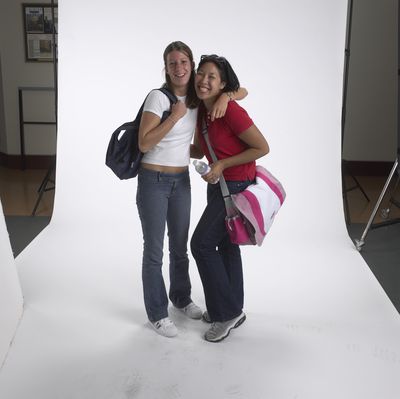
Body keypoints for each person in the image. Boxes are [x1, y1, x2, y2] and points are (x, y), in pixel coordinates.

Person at [136, 42, 247, 338]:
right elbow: (144, 144)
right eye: (172, 63)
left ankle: (181, 298)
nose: (179, 68)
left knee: (181, 246)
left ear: (192, 65)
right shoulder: (158, 98)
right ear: (166, 67)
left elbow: (242, 90)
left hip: (181, 181)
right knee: (154, 251)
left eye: (184, 62)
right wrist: (174, 115)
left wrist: (225, 95)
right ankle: (157, 313)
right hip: (154, 181)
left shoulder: (200, 99)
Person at [190, 54, 269, 343]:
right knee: (225, 244)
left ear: (223, 84)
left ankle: (225, 314)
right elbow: (200, 150)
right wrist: (166, 145)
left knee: (200, 244)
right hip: (219, 185)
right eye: (202, 74)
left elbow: (262, 147)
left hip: (235, 185)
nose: (204, 80)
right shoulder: (200, 109)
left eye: (212, 77)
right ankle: (234, 307)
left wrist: (223, 164)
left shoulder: (232, 111)